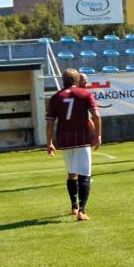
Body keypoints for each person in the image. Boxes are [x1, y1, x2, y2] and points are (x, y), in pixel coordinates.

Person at [46, 68, 102, 221]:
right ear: (77, 80)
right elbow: (96, 116)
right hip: (82, 139)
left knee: (72, 173)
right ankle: (82, 211)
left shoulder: (55, 97)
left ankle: (74, 206)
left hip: (64, 140)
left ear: (64, 81)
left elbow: (50, 122)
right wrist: (97, 135)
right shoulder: (85, 94)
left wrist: (49, 142)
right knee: (85, 174)